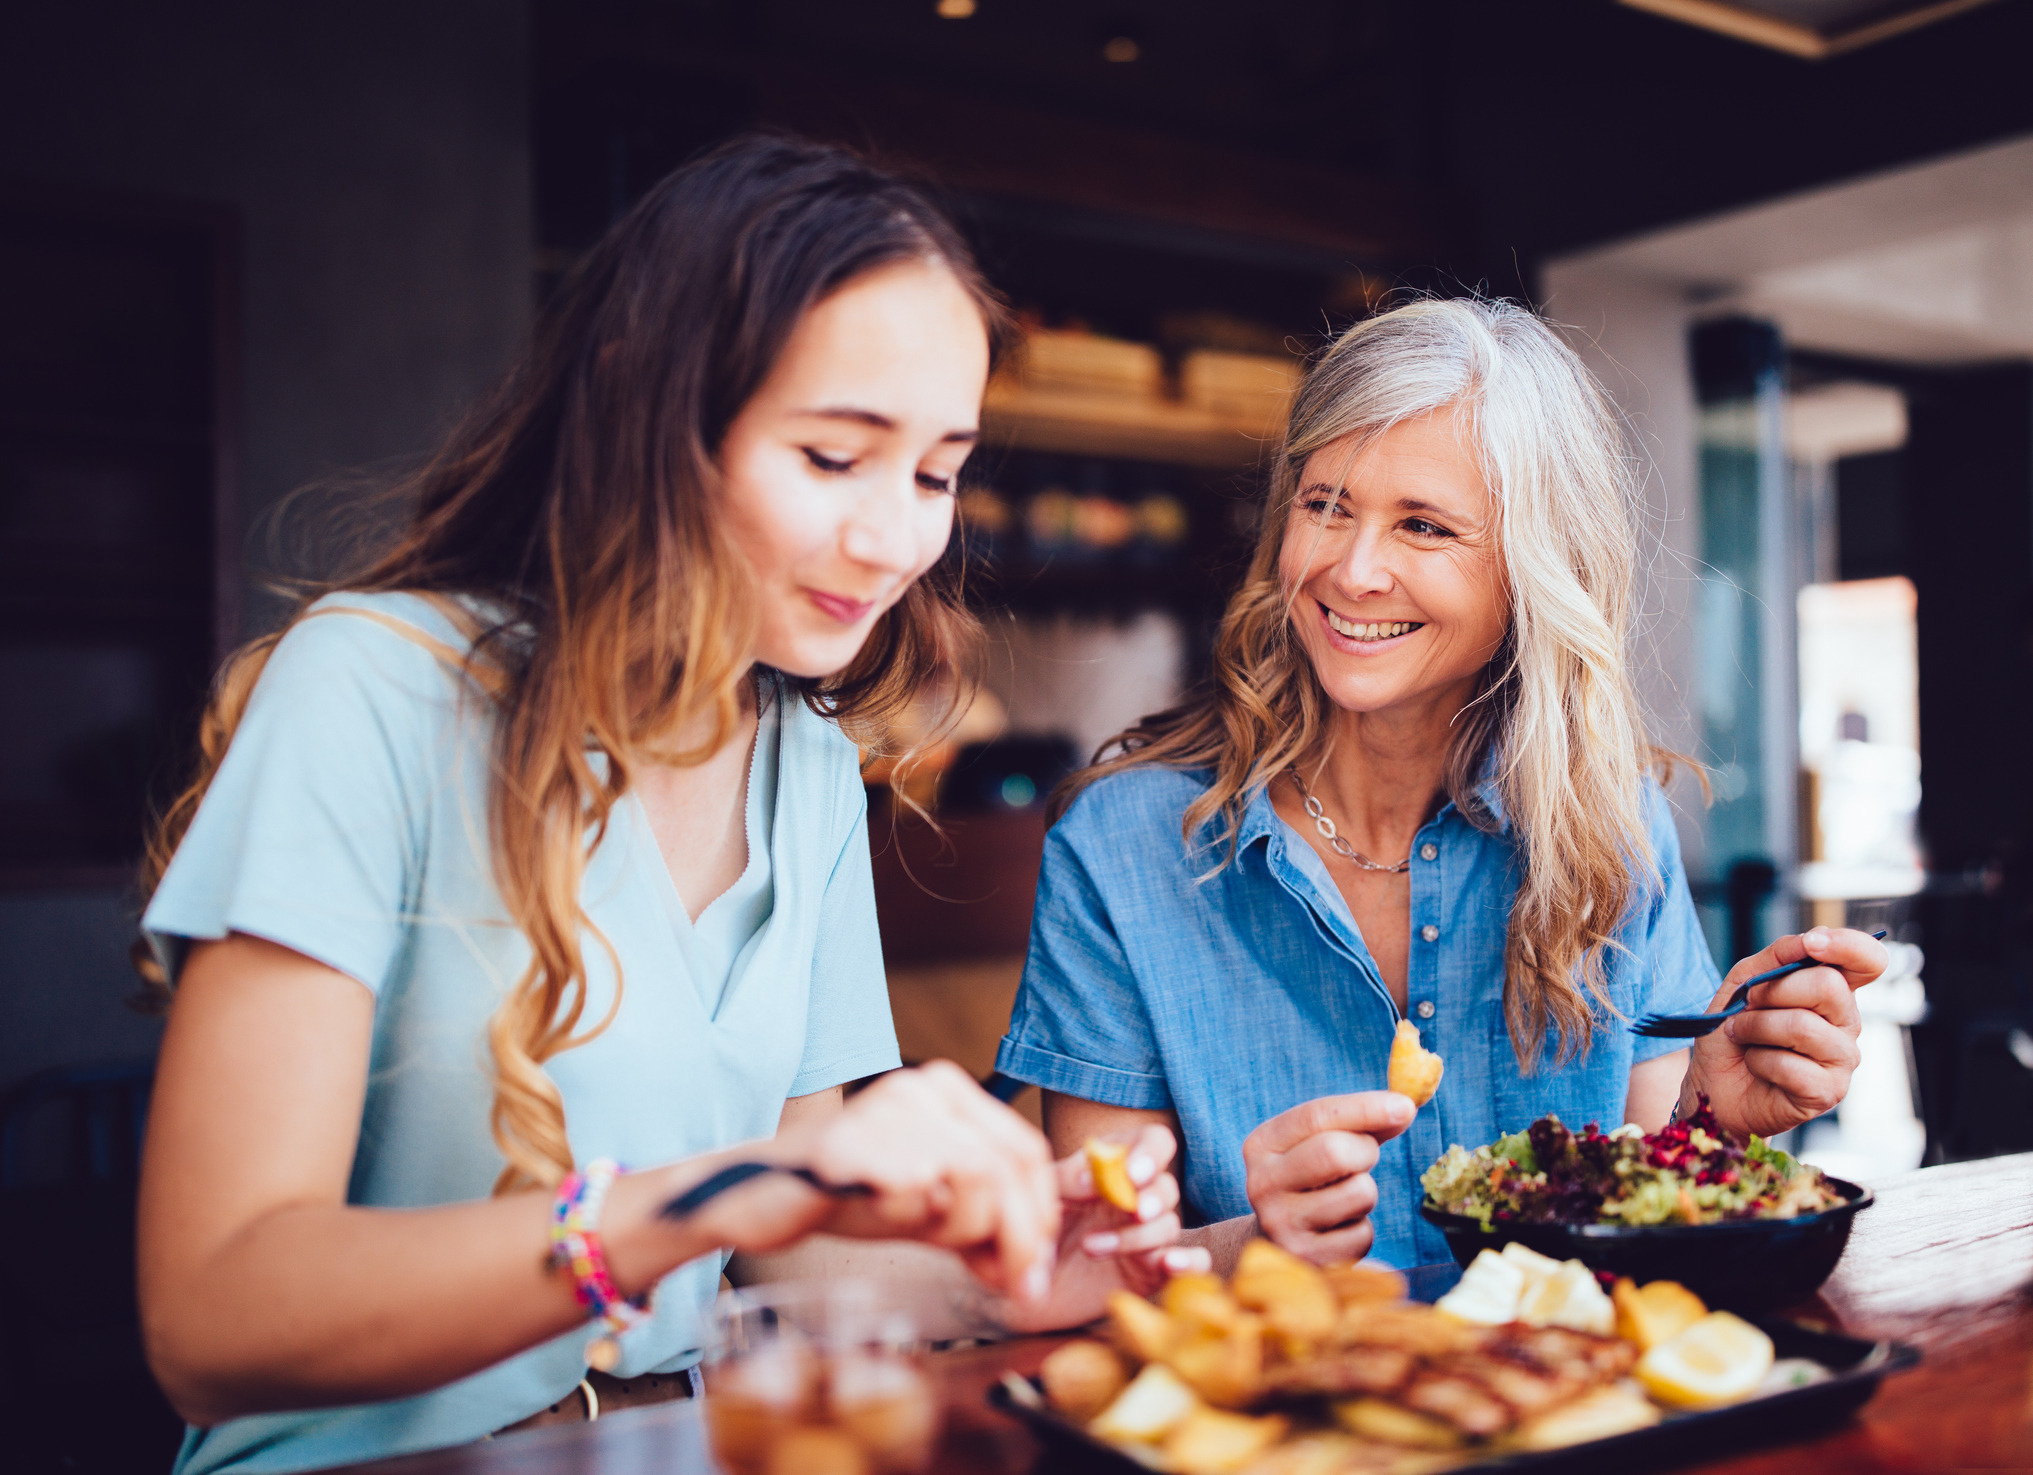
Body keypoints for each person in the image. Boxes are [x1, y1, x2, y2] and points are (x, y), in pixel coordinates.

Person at [135, 136, 1198, 1475]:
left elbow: (792, 1217)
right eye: (831, 456)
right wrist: (690, 1201)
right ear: (652, 410)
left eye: (934, 473)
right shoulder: (372, 690)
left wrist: (1001, 1267)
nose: (895, 537)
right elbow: (213, 1313)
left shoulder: (803, 756)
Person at [994, 298, 1889, 1272]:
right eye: (1324, 502)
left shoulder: (1609, 827)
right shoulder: (1119, 846)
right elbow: (1085, 1267)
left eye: (1422, 525)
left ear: (1531, 570)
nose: (1352, 568)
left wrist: (1711, 1120)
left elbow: (1647, 1223)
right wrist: (1254, 1242)